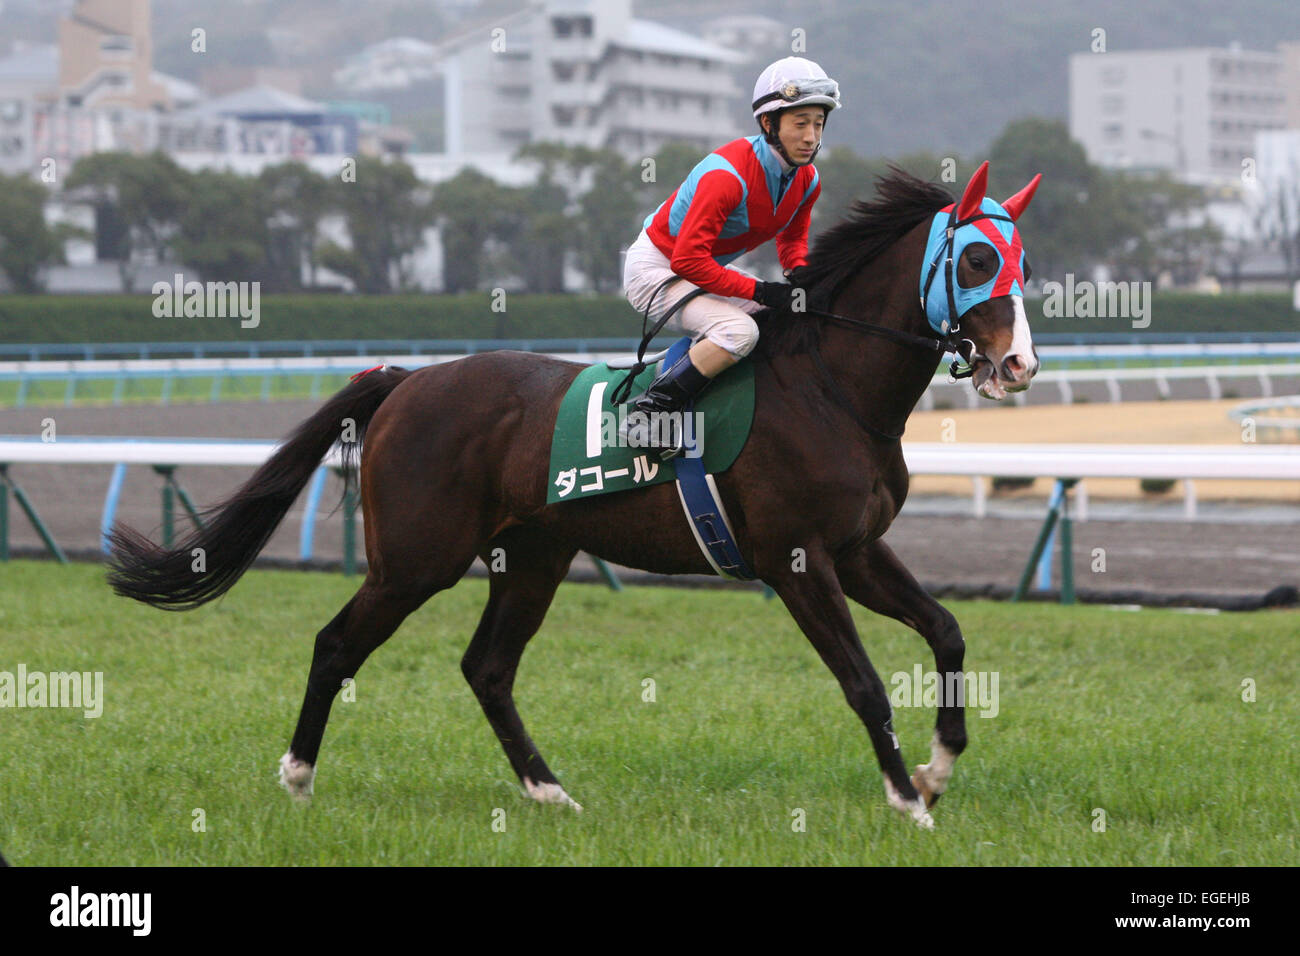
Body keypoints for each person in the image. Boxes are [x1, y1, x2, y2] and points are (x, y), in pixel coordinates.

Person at [620, 56, 840, 454]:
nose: (811, 137)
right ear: (769, 124)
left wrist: (803, 278)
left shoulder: (807, 180)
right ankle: (649, 412)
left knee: (782, 319)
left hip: (700, 268)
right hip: (656, 269)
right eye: (800, 123)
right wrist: (762, 290)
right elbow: (687, 261)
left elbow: (791, 242)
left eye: (818, 123)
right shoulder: (726, 177)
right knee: (739, 332)